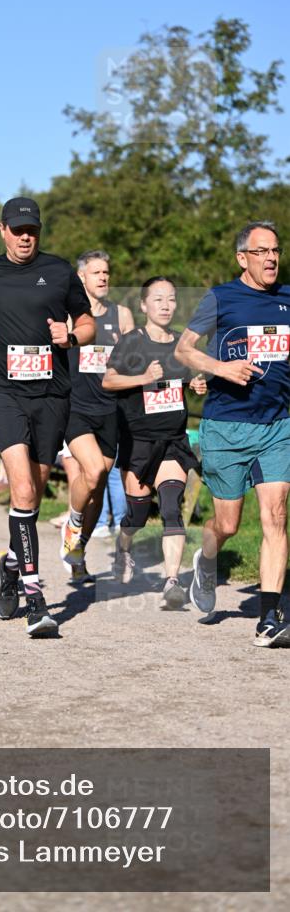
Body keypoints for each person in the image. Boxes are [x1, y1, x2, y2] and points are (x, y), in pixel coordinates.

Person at [0, 197, 94, 637]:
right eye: (17, 229)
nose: (25, 236)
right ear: (2, 231)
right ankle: (36, 598)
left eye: (31, 229)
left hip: (52, 393)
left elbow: (88, 322)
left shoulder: (59, 271)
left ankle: (11, 565)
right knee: (20, 485)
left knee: (32, 492)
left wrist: (70, 336)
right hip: (3, 390)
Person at [175, 222, 290, 646]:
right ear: (243, 258)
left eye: (275, 250)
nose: (271, 258)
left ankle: (268, 618)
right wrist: (220, 368)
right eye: (261, 252)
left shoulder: (288, 299)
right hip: (225, 427)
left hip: (277, 425)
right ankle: (206, 560)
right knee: (227, 522)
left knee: (276, 515)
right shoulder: (221, 298)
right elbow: (183, 349)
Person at [102, 277, 206, 608]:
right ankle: (124, 548)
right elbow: (108, 380)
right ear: (144, 306)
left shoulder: (182, 344)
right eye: (157, 299)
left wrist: (197, 385)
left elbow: (192, 376)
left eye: (171, 299)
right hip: (137, 441)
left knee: (172, 507)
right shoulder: (132, 342)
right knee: (137, 514)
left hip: (172, 440)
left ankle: (172, 581)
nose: (165, 305)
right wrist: (144, 378)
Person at [58, 250, 135, 580]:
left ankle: (78, 551)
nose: (103, 277)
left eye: (106, 272)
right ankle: (72, 523)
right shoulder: (67, 316)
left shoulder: (123, 315)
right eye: (96, 272)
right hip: (75, 408)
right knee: (90, 473)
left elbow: (136, 362)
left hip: (110, 410)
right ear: (81, 278)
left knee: (97, 482)